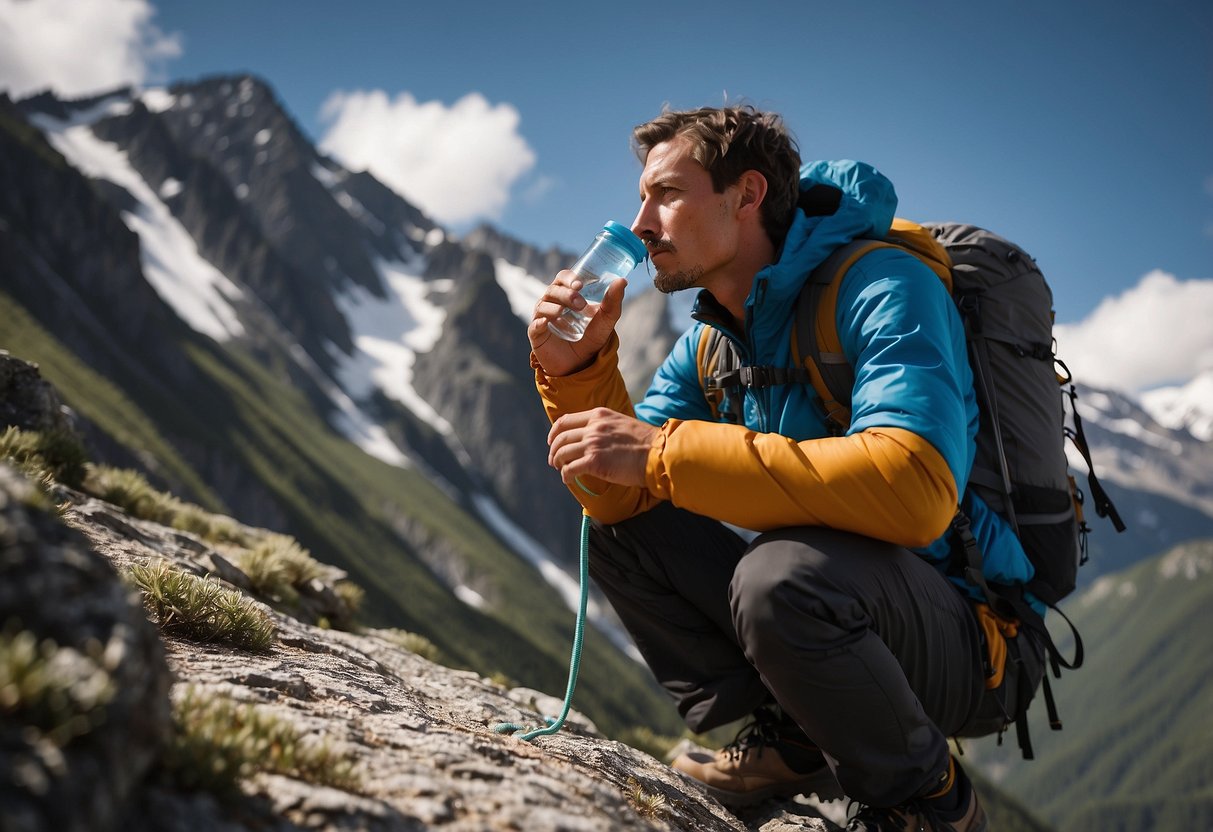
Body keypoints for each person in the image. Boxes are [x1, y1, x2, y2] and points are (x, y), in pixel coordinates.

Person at [528, 105, 1034, 831]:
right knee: (623, 530)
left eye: (666, 194)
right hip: (836, 605)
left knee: (782, 576)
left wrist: (662, 454)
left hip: (970, 637)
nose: (641, 223)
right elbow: (619, 501)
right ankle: (796, 732)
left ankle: (929, 801)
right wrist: (577, 371)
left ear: (747, 195)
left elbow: (916, 489)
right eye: (642, 197)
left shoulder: (881, 284)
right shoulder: (710, 343)